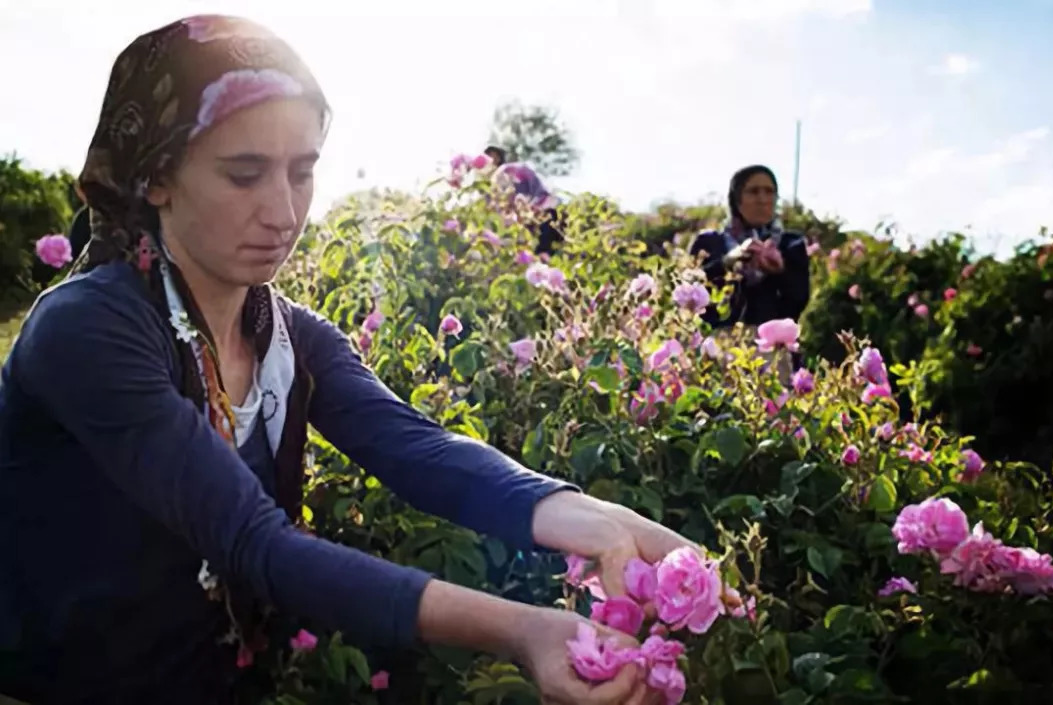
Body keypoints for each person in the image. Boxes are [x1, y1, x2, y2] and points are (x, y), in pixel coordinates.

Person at [0, 16, 692, 705]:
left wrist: (608, 524)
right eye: (244, 174)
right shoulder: (91, 329)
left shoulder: (286, 334)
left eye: (302, 172)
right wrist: (524, 630)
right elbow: (252, 540)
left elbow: (419, 449)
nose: (283, 211)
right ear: (155, 177)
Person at [690, 165, 810, 331]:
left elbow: (797, 301)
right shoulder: (709, 243)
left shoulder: (791, 244)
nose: (762, 199)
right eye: (753, 192)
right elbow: (689, 291)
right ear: (737, 199)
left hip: (772, 345)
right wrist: (728, 261)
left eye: (769, 192)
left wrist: (781, 271)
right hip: (719, 345)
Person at [484, 145, 565, 256]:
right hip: (543, 217)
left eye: (487, 157)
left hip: (536, 219)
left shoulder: (504, 172)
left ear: (496, 156)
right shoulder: (506, 173)